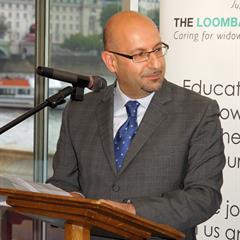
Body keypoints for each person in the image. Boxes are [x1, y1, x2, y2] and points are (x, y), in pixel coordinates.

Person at [47, 11, 226, 240]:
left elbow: (204, 196)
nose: (155, 63)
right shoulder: (79, 111)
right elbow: (62, 181)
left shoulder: (198, 111)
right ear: (111, 61)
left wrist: (132, 211)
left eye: (158, 50)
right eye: (140, 55)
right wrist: (70, 198)